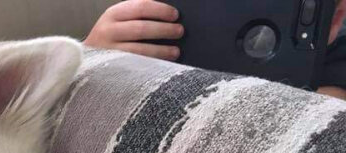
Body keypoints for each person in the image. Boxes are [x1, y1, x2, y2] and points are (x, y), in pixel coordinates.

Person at [84, 0, 346, 98]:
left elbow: (326, 117)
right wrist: (91, 59)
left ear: (333, 18)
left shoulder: (335, 55)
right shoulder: (145, 24)